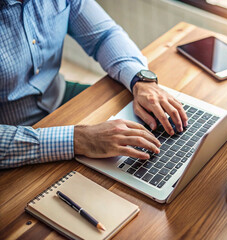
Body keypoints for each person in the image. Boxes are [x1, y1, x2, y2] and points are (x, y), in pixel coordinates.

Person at [0, 0, 188, 169]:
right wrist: (78, 139)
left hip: (58, 95)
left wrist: (141, 80)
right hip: (13, 134)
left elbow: (104, 35)